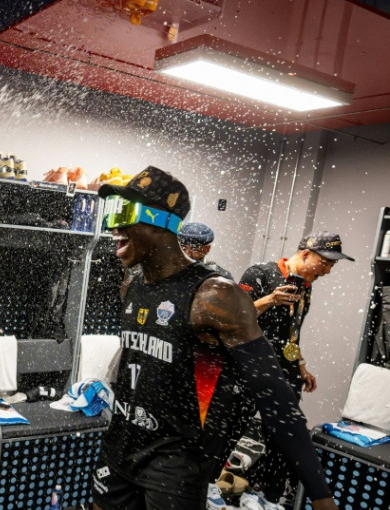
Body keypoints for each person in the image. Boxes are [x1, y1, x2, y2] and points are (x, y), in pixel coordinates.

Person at [91, 166, 337, 510]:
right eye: (112, 213)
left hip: (174, 462)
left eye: (123, 214)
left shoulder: (215, 295)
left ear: (159, 223)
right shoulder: (132, 285)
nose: (113, 227)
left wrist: (320, 493)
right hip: (120, 447)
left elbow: (276, 399)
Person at [235, 232, 354, 505]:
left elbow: (293, 330)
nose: (327, 271)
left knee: (284, 438)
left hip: (283, 368)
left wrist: (300, 364)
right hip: (250, 365)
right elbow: (236, 318)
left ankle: (266, 495)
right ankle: (210, 483)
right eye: (325, 263)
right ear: (305, 254)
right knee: (232, 426)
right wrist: (269, 300)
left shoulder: (305, 287)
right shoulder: (259, 274)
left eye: (332, 266)